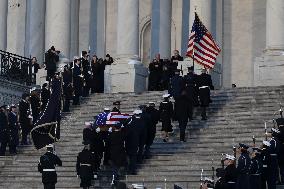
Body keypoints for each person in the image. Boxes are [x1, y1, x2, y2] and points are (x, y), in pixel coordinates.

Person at [125, 109, 145, 174]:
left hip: (128, 141)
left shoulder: (130, 121)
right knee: (133, 156)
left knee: (128, 155)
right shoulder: (142, 122)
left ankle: (128, 169)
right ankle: (132, 169)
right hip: (136, 142)